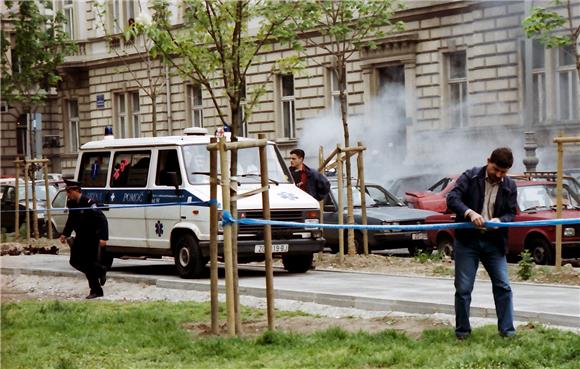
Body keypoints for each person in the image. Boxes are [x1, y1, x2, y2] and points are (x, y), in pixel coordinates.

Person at [447, 147, 517, 339]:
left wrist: (500, 221)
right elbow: (452, 198)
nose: (499, 175)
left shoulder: (510, 185)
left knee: (503, 286)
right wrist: (469, 213)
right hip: (467, 242)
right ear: (488, 161)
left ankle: (508, 332)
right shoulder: (470, 176)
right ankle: (462, 333)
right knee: (463, 289)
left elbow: (511, 213)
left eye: (504, 172)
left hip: (494, 243)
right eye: (496, 169)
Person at [59, 179, 109, 299]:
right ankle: (100, 269)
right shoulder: (71, 204)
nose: (68, 194)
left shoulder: (89, 203)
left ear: (76, 190)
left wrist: (103, 238)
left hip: (92, 237)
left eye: (69, 192)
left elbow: (102, 220)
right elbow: (71, 220)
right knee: (74, 261)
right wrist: (64, 234)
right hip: (80, 237)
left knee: (89, 264)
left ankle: (96, 290)